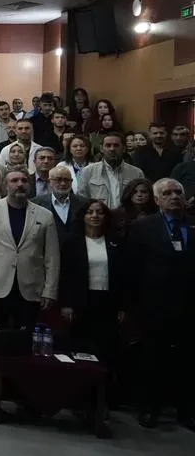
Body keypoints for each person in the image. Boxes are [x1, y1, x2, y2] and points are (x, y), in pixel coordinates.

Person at [0, 168, 60, 407]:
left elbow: (51, 256)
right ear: (5, 185)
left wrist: (50, 289)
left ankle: (20, 391)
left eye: (23, 181)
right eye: (14, 181)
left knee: (24, 342)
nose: (19, 184)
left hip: (29, 287)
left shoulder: (44, 215)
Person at [126, 179, 193, 429]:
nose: (174, 197)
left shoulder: (192, 224)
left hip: (188, 306)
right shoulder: (144, 227)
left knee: (187, 361)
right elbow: (131, 267)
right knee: (152, 358)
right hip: (153, 305)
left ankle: (186, 411)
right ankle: (149, 408)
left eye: (178, 192)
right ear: (157, 200)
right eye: (167, 193)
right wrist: (132, 305)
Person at [57, 199, 124, 382]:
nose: (95, 216)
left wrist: (122, 306)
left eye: (99, 212)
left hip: (108, 302)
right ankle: (80, 396)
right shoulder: (72, 242)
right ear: (83, 216)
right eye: (90, 212)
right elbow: (64, 276)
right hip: (80, 302)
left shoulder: (116, 242)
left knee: (106, 348)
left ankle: (104, 396)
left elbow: (124, 276)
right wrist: (66, 304)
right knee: (80, 347)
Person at [33, 164, 88, 244]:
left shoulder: (84, 204)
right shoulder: (36, 204)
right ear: (49, 181)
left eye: (66, 180)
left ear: (71, 181)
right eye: (58, 179)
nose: (63, 183)